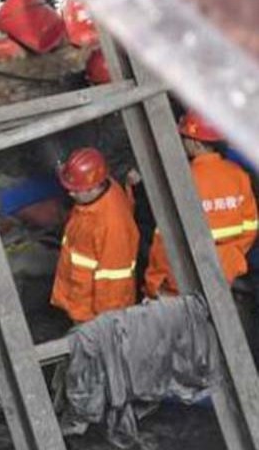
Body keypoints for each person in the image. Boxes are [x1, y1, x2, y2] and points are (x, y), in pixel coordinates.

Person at [144, 110, 257, 298]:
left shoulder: (182, 180)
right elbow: (250, 228)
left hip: (183, 278)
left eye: (184, 138)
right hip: (227, 272)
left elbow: (164, 240)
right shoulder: (238, 175)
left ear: (196, 143)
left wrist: (154, 282)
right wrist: (232, 259)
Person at [51, 147, 139, 324]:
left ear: (94, 187)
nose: (70, 193)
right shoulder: (97, 196)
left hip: (92, 316)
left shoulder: (112, 225)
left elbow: (114, 282)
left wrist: (105, 327)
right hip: (80, 302)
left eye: (76, 189)